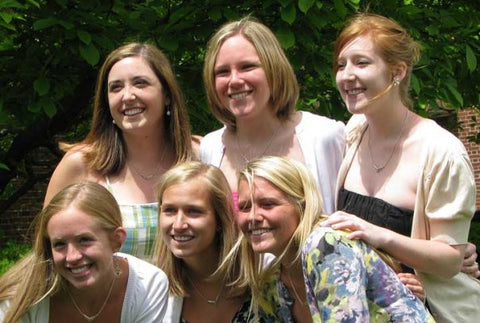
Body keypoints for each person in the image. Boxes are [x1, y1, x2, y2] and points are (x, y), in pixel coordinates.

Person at [327, 13, 480, 322]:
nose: (346, 75)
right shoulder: (355, 130)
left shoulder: (441, 152)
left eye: (361, 63)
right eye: (341, 65)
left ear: (397, 71)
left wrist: (380, 236)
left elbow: (451, 260)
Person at [44, 42, 196, 262]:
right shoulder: (81, 164)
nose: (127, 96)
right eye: (115, 87)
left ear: (167, 95)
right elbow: (47, 251)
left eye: (140, 83)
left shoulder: (198, 156)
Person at [235, 156, 433, 322]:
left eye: (267, 204)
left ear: (301, 205)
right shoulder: (271, 284)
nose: (252, 216)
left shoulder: (326, 245)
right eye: (244, 207)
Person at [200, 16, 345, 214]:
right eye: (223, 72)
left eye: (247, 67)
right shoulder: (211, 148)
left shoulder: (323, 137)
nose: (234, 80)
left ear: (274, 69)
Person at [0, 182, 168, 322]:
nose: (72, 257)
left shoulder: (148, 285)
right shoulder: (22, 296)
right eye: (59, 244)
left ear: (116, 240)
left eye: (84, 240)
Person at [153, 161, 253, 322]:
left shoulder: (260, 275)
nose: (178, 225)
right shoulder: (153, 290)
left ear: (220, 218)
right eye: (169, 210)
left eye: (193, 211)